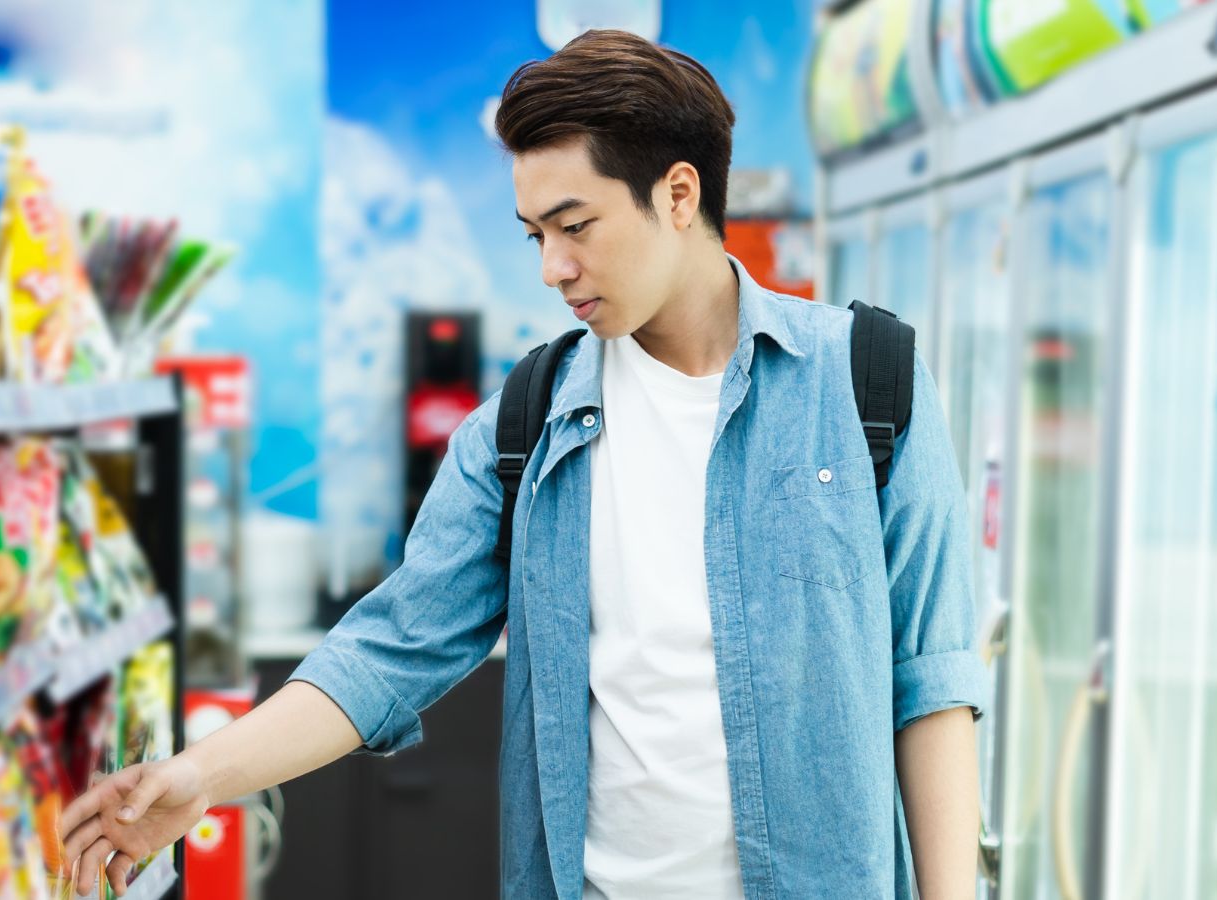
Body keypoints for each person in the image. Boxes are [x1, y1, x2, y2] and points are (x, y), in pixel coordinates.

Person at [60, 29, 987, 900]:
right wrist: (196, 778)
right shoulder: (524, 426)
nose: (551, 266)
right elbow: (391, 647)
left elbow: (931, 682)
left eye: (574, 225)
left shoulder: (870, 384)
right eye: (534, 233)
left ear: (677, 194)